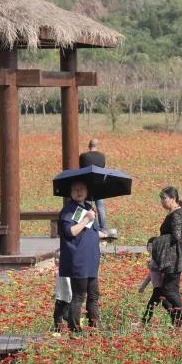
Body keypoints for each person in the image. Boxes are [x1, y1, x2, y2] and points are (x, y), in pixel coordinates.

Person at [55, 180, 100, 334]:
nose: (78, 192)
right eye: (75, 189)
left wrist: (104, 234)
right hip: (78, 259)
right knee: (79, 296)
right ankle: (75, 330)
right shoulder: (69, 210)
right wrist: (87, 219)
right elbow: (70, 232)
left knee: (94, 295)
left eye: (82, 189)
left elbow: (91, 232)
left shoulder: (88, 207)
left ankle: (94, 327)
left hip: (91, 259)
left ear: (87, 191)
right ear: (70, 192)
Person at [144, 186, 182, 326]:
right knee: (168, 291)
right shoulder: (175, 212)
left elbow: (176, 236)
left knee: (168, 290)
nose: (162, 202)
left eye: (164, 198)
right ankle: (177, 321)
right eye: (161, 199)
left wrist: (156, 242)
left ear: (173, 198)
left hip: (174, 258)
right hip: (171, 257)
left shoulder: (176, 214)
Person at [78, 138, 111, 238]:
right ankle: (103, 228)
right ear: (98, 146)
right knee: (100, 207)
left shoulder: (83, 156)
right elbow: (104, 168)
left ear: (89, 146)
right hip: (99, 184)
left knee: (87, 206)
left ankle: (91, 226)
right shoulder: (102, 156)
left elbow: (81, 169)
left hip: (87, 184)